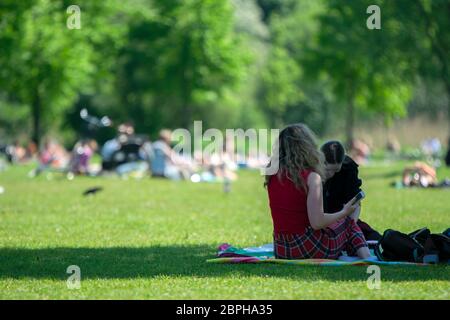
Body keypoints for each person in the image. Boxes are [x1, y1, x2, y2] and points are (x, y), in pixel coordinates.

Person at [266, 124, 371, 260]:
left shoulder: (272, 174)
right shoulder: (312, 177)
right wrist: (344, 212)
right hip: (306, 247)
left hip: (281, 248)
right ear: (306, 146)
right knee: (348, 222)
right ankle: (367, 257)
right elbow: (316, 222)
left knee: (338, 225)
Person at [321, 141, 382, 241]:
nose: (331, 174)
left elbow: (355, 202)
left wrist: (350, 227)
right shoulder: (313, 171)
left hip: (342, 219)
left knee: (374, 238)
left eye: (336, 170)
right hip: (321, 222)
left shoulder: (348, 168)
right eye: (327, 170)